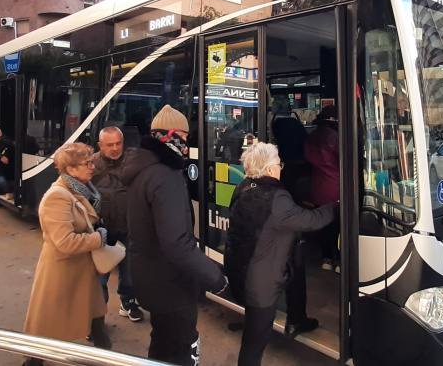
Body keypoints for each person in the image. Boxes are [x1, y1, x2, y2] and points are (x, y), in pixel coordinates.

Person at [122, 105, 227, 366]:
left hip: (150, 278)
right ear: (173, 136)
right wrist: (214, 277)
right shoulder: (164, 175)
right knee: (182, 347)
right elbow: (176, 242)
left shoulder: (144, 168)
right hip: (170, 284)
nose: (187, 142)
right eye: (185, 137)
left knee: (162, 341)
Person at [225, 142, 336, 366]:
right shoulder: (277, 199)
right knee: (255, 341)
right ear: (268, 170)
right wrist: (335, 205)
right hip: (260, 284)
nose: (281, 168)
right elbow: (312, 221)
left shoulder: (243, 188)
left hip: (241, 272)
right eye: (278, 164)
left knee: (295, 268)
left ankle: (297, 319)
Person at [22, 143, 111, 366]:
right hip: (62, 271)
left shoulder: (81, 188)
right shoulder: (57, 196)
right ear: (70, 170)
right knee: (47, 322)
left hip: (82, 268)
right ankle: (33, 361)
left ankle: (105, 353)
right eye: (87, 163)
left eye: (92, 161)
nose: (93, 167)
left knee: (95, 314)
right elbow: (65, 242)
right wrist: (98, 238)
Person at [92, 126, 144, 322]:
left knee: (130, 270)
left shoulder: (133, 164)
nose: (115, 148)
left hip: (128, 227)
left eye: (118, 143)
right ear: (100, 145)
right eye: (109, 145)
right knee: (99, 276)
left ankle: (128, 302)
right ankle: (96, 315)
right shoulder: (90, 165)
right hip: (101, 230)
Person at [304, 104, 341, 272]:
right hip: (335, 187)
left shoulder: (311, 136)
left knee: (323, 227)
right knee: (339, 227)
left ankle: (327, 259)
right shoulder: (334, 137)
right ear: (333, 118)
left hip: (317, 188)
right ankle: (340, 260)